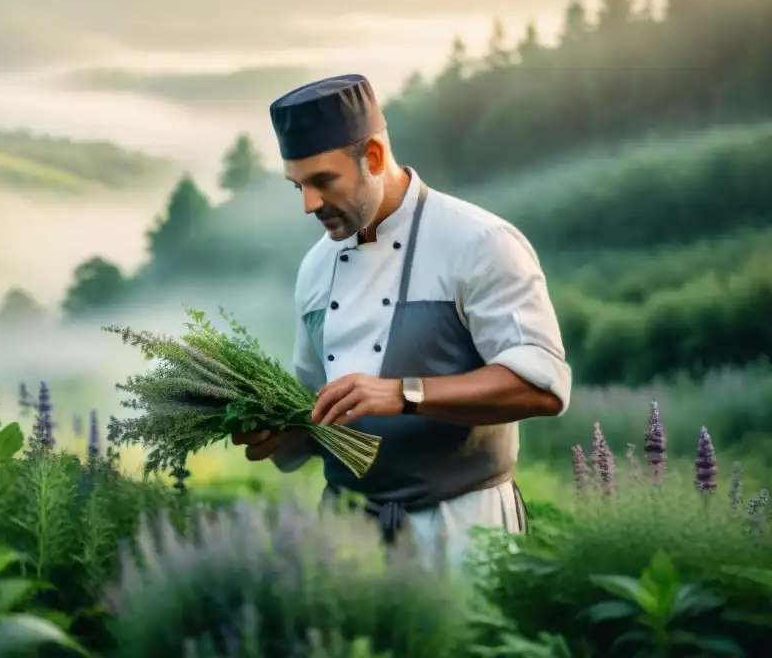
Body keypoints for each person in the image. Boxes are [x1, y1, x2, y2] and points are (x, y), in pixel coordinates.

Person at [231, 73, 572, 573]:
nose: (309, 204)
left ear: (372, 156)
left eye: (323, 181)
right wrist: (281, 435)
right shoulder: (315, 269)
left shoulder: (479, 242)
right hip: (346, 537)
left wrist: (403, 393)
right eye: (298, 185)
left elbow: (543, 385)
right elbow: (315, 410)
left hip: (464, 531)